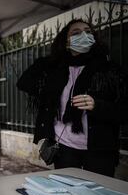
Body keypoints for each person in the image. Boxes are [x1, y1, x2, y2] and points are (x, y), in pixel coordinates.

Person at [17, 19, 128, 177]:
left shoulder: (109, 70)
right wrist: (50, 60)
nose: (84, 35)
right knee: (67, 194)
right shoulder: (56, 70)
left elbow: (124, 111)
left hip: (99, 150)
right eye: (76, 33)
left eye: (88, 32)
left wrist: (97, 105)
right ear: (67, 41)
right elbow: (24, 83)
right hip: (65, 148)